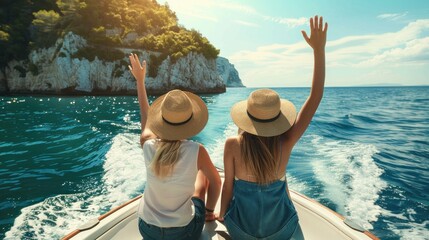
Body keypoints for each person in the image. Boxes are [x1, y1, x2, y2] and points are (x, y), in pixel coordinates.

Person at [218, 15, 328, 240]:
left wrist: (221, 215)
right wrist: (319, 50)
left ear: (247, 118)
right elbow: (315, 96)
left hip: (242, 230)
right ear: (278, 118)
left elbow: (227, 187)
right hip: (281, 231)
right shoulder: (286, 142)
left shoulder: (232, 144)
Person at [128, 53, 221, 240]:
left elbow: (145, 116)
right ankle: (208, 212)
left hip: (147, 229)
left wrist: (140, 80)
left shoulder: (148, 145)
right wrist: (210, 210)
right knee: (202, 176)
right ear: (190, 123)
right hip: (183, 233)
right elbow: (217, 182)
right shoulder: (197, 150)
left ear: (161, 121)